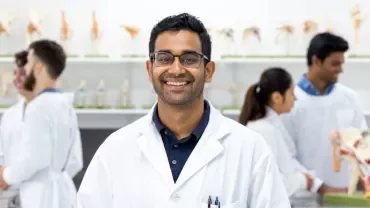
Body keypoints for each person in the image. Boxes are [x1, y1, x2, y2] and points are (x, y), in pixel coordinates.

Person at [77, 13, 290, 207]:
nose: (176, 69)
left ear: (208, 71)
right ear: (150, 70)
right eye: (164, 58)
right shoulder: (115, 150)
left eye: (189, 59)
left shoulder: (250, 149)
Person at [280, 32, 368, 195]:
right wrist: (320, 187)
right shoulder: (291, 103)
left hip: (345, 195)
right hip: (304, 198)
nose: (340, 70)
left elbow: (363, 145)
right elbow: (286, 157)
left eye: (342, 63)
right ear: (316, 61)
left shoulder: (349, 98)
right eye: (335, 64)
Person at [0, 40, 83, 208]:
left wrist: (7, 176)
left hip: (40, 196)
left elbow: (33, 159)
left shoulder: (38, 107)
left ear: (38, 68)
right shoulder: (65, 105)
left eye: (29, 63)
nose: (26, 69)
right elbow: (75, 161)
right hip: (62, 194)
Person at [238, 67, 314, 198]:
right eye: (291, 93)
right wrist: (303, 181)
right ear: (277, 97)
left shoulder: (269, 127)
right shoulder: (264, 130)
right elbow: (269, 184)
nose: (294, 98)